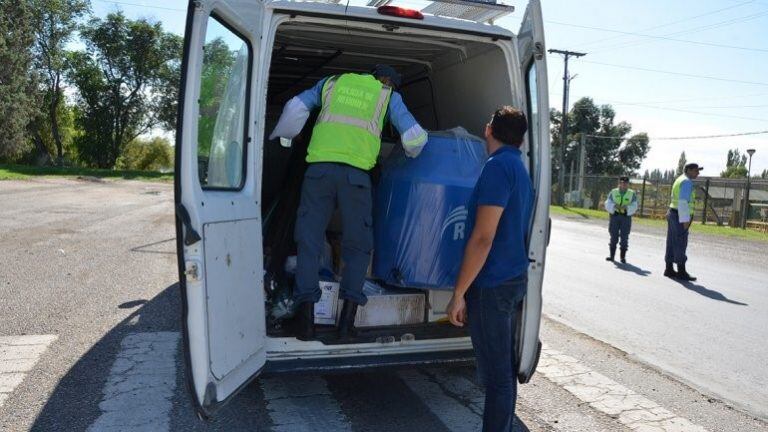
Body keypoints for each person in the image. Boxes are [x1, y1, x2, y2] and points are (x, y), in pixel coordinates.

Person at [269, 65, 428, 340]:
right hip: (355, 176)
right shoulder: (386, 95)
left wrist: (283, 138)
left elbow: (295, 109)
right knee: (358, 246)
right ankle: (346, 325)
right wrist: (411, 155)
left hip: (318, 172)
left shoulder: (331, 82)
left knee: (309, 241)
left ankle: (306, 324)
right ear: (389, 81)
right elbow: (415, 137)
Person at [446, 106, 533, 432]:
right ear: (522, 138)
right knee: (503, 371)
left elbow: (483, 237)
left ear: (488, 129)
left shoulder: (496, 168)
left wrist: (458, 293)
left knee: (498, 377)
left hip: (493, 283)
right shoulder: (518, 168)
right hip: (511, 278)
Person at [665, 163, 701, 281]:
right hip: (680, 215)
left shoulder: (679, 179)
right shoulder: (686, 182)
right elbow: (683, 202)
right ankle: (681, 271)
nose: (698, 173)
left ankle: (669, 268)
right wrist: (685, 220)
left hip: (673, 213)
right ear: (689, 170)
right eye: (696, 171)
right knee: (680, 242)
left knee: (671, 241)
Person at [604, 176, 638, 263]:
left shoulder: (632, 193)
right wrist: (614, 206)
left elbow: (635, 205)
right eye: (622, 183)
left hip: (626, 217)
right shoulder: (613, 192)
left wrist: (627, 207)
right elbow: (608, 202)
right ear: (619, 183)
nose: (623, 185)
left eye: (626, 184)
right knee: (613, 236)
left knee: (624, 237)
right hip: (615, 216)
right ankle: (612, 256)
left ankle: (622, 257)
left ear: (628, 184)